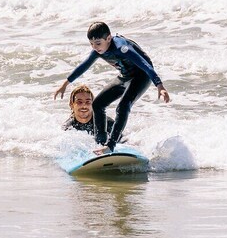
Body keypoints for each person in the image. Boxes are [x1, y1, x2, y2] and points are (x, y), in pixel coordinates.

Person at [54, 22, 170, 155]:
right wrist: (65, 84)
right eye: (91, 44)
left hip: (142, 77)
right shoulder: (98, 51)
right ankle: (100, 143)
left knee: (123, 106)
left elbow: (145, 65)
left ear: (108, 38)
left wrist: (159, 85)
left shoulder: (122, 47)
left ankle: (111, 145)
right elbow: (83, 66)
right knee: (97, 104)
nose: (95, 47)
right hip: (125, 76)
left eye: (98, 43)